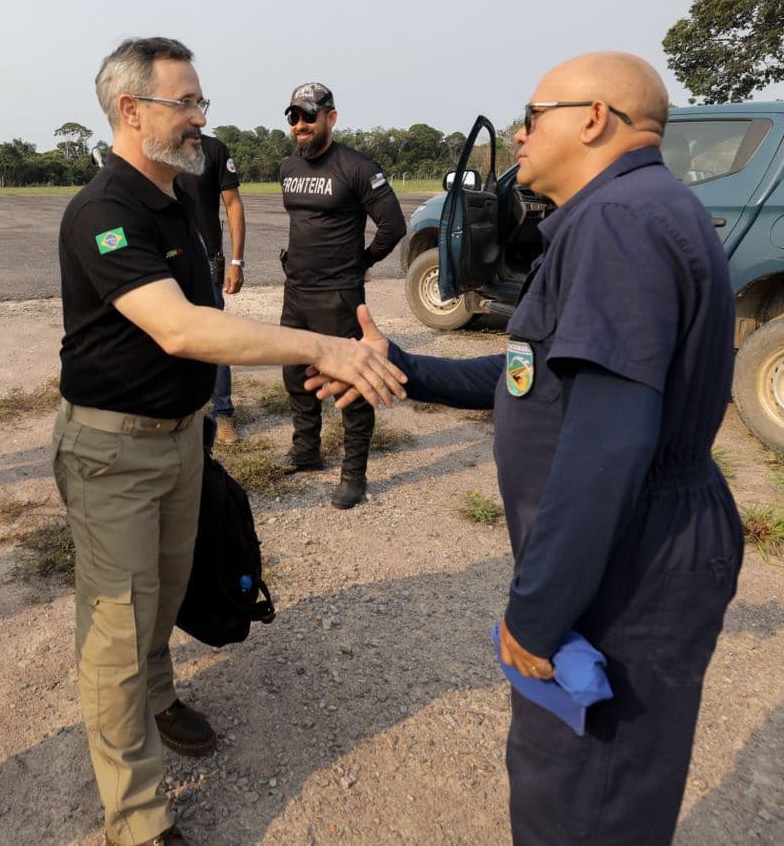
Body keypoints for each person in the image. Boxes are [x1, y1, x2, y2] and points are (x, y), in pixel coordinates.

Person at [309, 52, 743, 846]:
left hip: (631, 553)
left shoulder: (616, 225)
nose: (518, 132)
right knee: (593, 789)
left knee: (584, 801)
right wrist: (405, 368)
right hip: (635, 536)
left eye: (533, 114)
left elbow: (608, 443)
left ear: (594, 118)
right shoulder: (627, 211)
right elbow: (534, 377)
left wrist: (537, 614)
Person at [55, 36, 406, 846]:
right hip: (113, 450)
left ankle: (159, 693)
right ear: (130, 110)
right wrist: (320, 347)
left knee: (167, 587)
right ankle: (138, 820)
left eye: (201, 101)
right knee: (115, 624)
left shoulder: (180, 194)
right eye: (186, 102)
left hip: (181, 439)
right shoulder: (103, 211)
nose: (201, 117)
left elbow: (209, 316)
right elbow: (180, 329)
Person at [277, 81, 405, 508]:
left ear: (330, 117)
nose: (300, 124)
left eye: (309, 116)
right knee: (296, 374)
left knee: (350, 378)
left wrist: (363, 263)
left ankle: (354, 475)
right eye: (293, 116)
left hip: (338, 294)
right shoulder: (287, 169)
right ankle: (306, 450)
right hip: (296, 291)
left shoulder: (357, 167)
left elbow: (393, 226)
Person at [175, 129, 245, 441]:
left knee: (215, 339)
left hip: (207, 260)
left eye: (196, 102)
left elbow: (233, 204)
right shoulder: (155, 146)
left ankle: (223, 412)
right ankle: (180, 411)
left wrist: (236, 262)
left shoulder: (213, 149)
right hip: (166, 259)